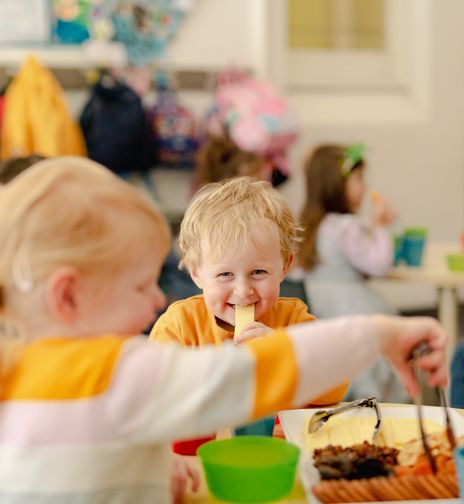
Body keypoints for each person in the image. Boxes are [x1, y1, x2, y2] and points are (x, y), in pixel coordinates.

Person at [0, 156, 448, 504]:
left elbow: (98, 455)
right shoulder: (121, 370)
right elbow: (240, 378)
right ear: (67, 296)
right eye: (139, 285)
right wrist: (380, 333)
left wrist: (152, 467)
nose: (157, 299)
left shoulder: (13, 371)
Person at [298, 144, 407, 403]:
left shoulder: (315, 223)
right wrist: (380, 226)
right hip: (351, 305)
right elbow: (380, 265)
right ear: (336, 185)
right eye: (358, 179)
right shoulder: (346, 226)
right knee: (373, 357)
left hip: (321, 306)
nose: (365, 186)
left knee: (345, 361)